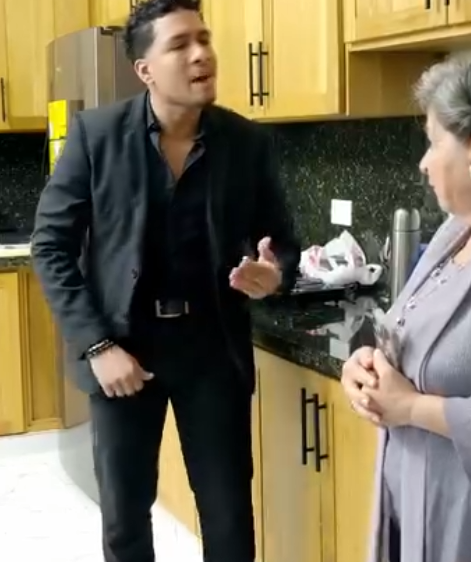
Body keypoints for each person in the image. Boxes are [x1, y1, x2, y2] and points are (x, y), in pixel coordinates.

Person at [31, 1, 300, 561]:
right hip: (123, 348)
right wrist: (98, 346)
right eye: (180, 45)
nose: (201, 54)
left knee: (229, 516)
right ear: (145, 69)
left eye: (204, 39)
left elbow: (281, 241)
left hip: (212, 350)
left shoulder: (246, 143)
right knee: (125, 518)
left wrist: (273, 273)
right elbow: (50, 247)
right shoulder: (96, 136)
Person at [341, 53, 471, 562]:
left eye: (434, 142)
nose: (423, 162)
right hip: (410, 497)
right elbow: (407, 330)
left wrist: (412, 408)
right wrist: (365, 366)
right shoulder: (452, 232)